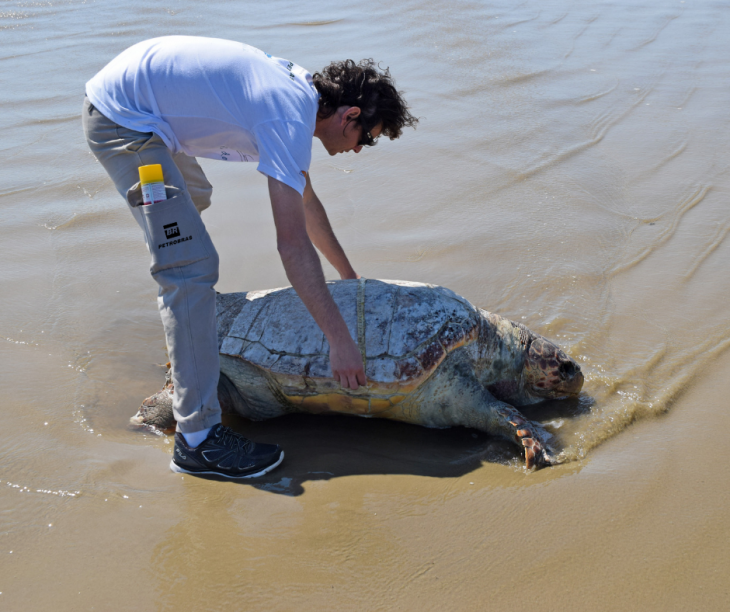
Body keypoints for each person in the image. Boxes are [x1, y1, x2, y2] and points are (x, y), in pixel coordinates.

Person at [82, 35, 417, 479]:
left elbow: (305, 203)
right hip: (122, 121)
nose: (358, 150)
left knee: (193, 198)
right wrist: (340, 339)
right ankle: (197, 442)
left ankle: (186, 319)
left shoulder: (298, 101)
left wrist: (348, 275)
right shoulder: (287, 114)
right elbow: (292, 244)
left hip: (146, 113)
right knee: (191, 268)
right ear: (350, 115)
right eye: (366, 140)